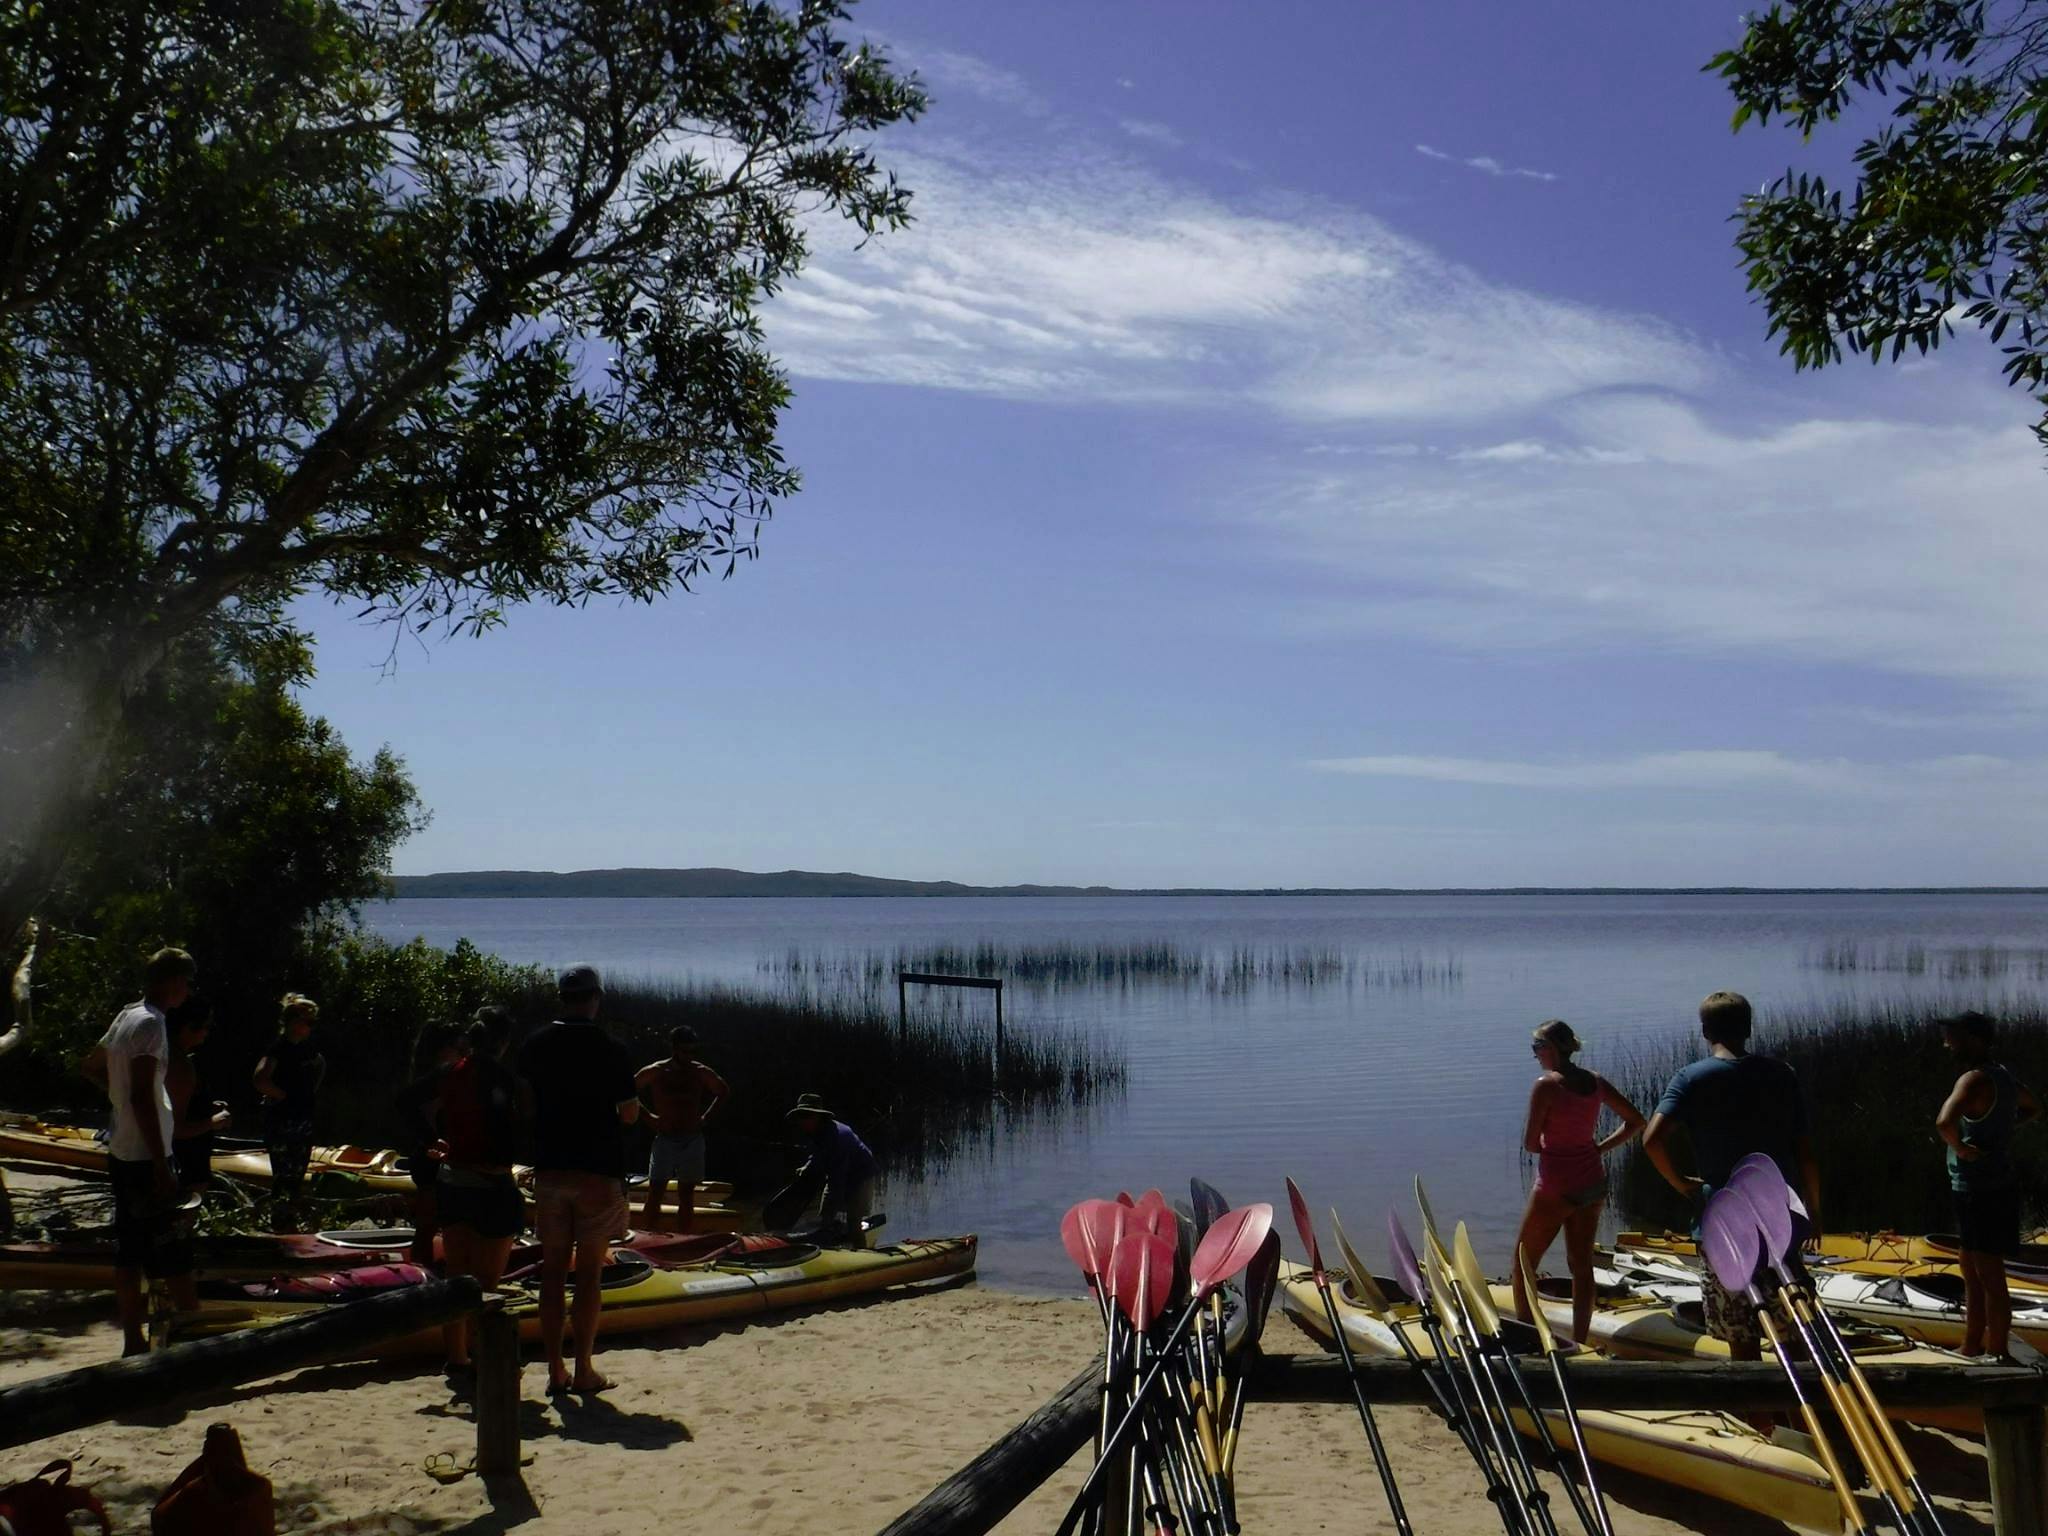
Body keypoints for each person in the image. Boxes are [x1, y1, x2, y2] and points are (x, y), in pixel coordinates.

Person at [1642, 990, 1821, 1363]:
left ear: (1706, 1030)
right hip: (1780, 1218)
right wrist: (1814, 1211)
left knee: (1741, 1332)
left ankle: (1760, 1418)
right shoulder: (1780, 1074)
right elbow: (1805, 1153)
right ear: (1749, 1028)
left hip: (1723, 1221)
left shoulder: (1691, 1077)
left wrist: (1680, 1184)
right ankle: (1804, 1410)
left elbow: (1652, 1140)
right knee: (1794, 1324)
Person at [517, 965, 638, 1394]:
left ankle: (554, 1371)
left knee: (552, 1273)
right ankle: (583, 1368)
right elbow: (628, 1113)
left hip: (550, 1168)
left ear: (561, 997)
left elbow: (526, 1103)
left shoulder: (535, 1045)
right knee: (588, 1276)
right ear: (596, 997)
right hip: (597, 1171)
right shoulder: (612, 1048)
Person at [80, 947, 199, 1354]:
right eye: (185, 981)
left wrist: (116, 1100)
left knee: (129, 1251)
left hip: (122, 1150)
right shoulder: (151, 1024)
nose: (187, 989)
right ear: (172, 983)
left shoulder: (127, 1015)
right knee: (173, 1248)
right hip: (148, 1156)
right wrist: (162, 1166)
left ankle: (133, 1340)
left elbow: (90, 1065)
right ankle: (194, 1338)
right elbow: (143, 1099)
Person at [1509, 1020, 1645, 1343]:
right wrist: (1599, 1147)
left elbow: (1530, 1143)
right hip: (1592, 1182)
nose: (1536, 1056)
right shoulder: (1595, 1083)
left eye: (1537, 1048)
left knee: (1523, 1264)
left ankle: (1527, 1339)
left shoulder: (1546, 1085)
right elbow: (1636, 1121)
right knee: (1581, 1266)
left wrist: (1551, 1144)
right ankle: (1581, 1340)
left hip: (1556, 1186)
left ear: (1553, 1050)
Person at [1935, 1010, 2041, 1359]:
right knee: (1970, 1267)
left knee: (1989, 1273)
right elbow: (2035, 1108)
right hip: (1992, 1186)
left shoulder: (1974, 1080)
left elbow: (1943, 1122)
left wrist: (1962, 1148)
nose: (1947, 1044)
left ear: (1975, 1040)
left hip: (1980, 1189)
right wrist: (2007, 1130)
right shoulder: (2004, 1077)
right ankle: (1970, 1345)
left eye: (1955, 1037)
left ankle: (1997, 1352)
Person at [439, 1005, 531, 1375]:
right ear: (504, 1041)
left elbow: (412, 1102)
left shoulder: (451, 1073)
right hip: (490, 1182)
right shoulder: (502, 1077)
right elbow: (505, 1127)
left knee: (456, 1276)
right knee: (487, 1282)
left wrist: (434, 1141)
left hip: (452, 1179)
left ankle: (456, 1358)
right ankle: (481, 1355)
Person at [635, 1026, 729, 1232]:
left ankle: (683, 1236)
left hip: (692, 1137)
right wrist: (647, 1116)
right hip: (665, 1137)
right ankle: (648, 1234)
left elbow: (722, 1091)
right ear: (674, 1049)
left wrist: (706, 1117)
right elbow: (627, 1091)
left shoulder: (699, 1072)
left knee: (687, 1193)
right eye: (685, 1051)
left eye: (692, 1051)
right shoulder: (657, 1070)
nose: (689, 1056)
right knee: (656, 1190)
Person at [397, 1021, 467, 1265]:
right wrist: (432, 1140)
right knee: (428, 1224)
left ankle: (430, 1270)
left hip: (433, 1154)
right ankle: (423, 1273)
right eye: (456, 1047)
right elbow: (413, 1109)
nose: (462, 1052)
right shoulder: (434, 1079)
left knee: (432, 1223)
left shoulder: (436, 1077)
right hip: (430, 1157)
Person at [253, 993, 325, 1224]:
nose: (311, 1028)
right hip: (284, 1120)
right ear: (293, 1021)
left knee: (297, 1174)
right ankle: (279, 1219)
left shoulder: (306, 1048)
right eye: (308, 1022)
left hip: (303, 1118)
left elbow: (321, 1064)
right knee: (283, 1174)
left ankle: (290, 1219)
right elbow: (260, 1079)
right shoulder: (279, 1048)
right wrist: (284, 1096)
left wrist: (309, 1091)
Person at [776, 1093, 880, 1246]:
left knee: (853, 1219)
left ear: (817, 1117)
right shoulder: (816, 1132)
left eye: (806, 1116)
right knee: (825, 1216)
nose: (802, 1121)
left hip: (861, 1175)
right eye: (800, 1116)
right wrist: (807, 1167)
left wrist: (834, 1204)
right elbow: (817, 1154)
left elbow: (838, 1179)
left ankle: (862, 1252)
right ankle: (828, 1242)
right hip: (837, 1173)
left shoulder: (839, 1136)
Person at [166, 997, 231, 1198]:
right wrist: (213, 1122)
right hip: (186, 1161)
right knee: (182, 1219)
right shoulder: (180, 1066)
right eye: (205, 1026)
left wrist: (204, 1105)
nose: (207, 1032)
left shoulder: (171, 1058)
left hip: (188, 1159)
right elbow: (175, 1129)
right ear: (188, 1028)